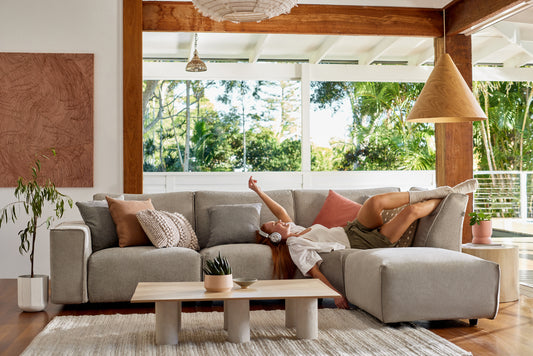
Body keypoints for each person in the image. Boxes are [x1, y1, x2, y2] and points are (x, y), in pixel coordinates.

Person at [248, 176, 478, 309]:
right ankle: (452, 195)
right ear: (276, 238)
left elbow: (279, 209)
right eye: (274, 225)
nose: (279, 221)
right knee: (412, 212)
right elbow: (315, 272)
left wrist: (258, 190)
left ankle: (440, 191)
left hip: (352, 229)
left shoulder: (295, 229)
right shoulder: (295, 245)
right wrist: (336, 295)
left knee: (374, 203)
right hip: (363, 243)